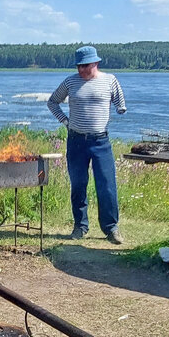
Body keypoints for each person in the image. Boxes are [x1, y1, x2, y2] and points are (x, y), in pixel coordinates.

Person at [47, 45, 127, 244]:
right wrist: (65, 122)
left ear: (96, 63)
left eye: (86, 66)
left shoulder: (110, 80)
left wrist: (120, 107)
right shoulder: (70, 82)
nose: (82, 70)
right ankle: (80, 226)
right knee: (78, 184)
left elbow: (120, 102)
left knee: (107, 185)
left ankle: (111, 228)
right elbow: (52, 102)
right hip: (76, 141)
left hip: (101, 141)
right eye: (79, 66)